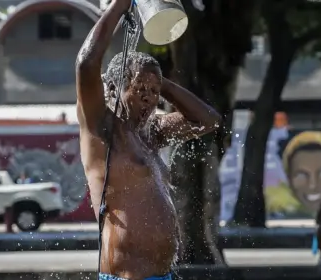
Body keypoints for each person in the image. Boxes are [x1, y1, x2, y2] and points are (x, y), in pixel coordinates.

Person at [75, 0, 221, 279]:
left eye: (154, 92)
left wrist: (160, 81)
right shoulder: (101, 128)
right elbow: (86, 64)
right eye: (139, 88)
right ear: (115, 89)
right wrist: (120, 5)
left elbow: (209, 121)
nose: (148, 97)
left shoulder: (152, 132)